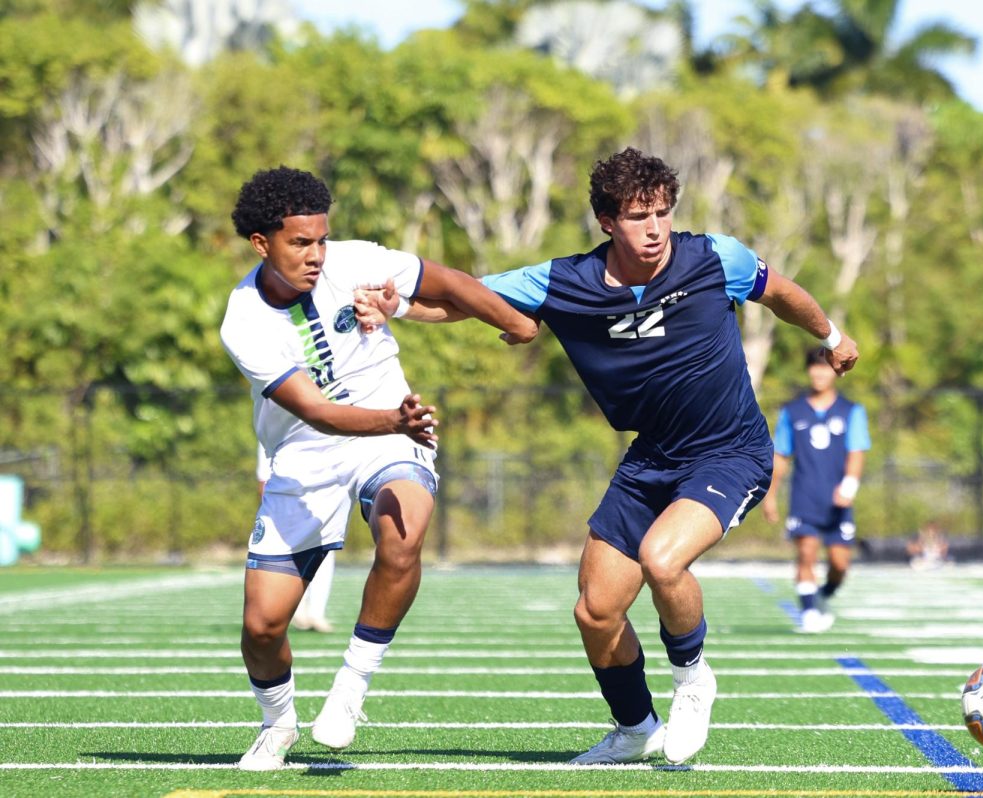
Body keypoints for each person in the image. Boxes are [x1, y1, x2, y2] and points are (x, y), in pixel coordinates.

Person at [419, 147, 858, 765]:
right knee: (595, 610)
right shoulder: (562, 281)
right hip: (651, 457)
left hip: (731, 451)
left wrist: (831, 337)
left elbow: (782, 293)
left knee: (662, 560)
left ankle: (692, 679)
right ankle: (634, 729)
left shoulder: (713, 257)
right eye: (636, 216)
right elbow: (461, 297)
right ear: (606, 220)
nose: (653, 229)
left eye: (661, 212)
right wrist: (389, 308)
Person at [220, 165, 537, 771]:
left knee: (404, 528)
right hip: (309, 453)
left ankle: (351, 686)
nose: (317, 255)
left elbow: (447, 280)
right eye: (300, 243)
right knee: (262, 627)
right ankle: (277, 725)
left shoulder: (354, 259)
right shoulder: (244, 322)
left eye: (321, 239)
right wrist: (395, 419)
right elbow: (316, 413)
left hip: (391, 436)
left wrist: (515, 323)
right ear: (261, 244)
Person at [762, 347, 871, 633]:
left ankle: (822, 595)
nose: (818, 373)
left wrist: (849, 486)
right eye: (814, 367)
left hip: (838, 502)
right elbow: (781, 456)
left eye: (824, 368)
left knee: (839, 564)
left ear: (835, 372)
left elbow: (857, 453)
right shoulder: (792, 412)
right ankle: (809, 611)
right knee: (806, 553)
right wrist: (770, 496)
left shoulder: (851, 411)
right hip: (804, 497)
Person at [257, 443, 334, 633]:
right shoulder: (274, 420)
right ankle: (296, 609)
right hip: (286, 496)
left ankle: (316, 612)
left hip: (320, 492)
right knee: (291, 552)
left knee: (325, 548)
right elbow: (264, 471)